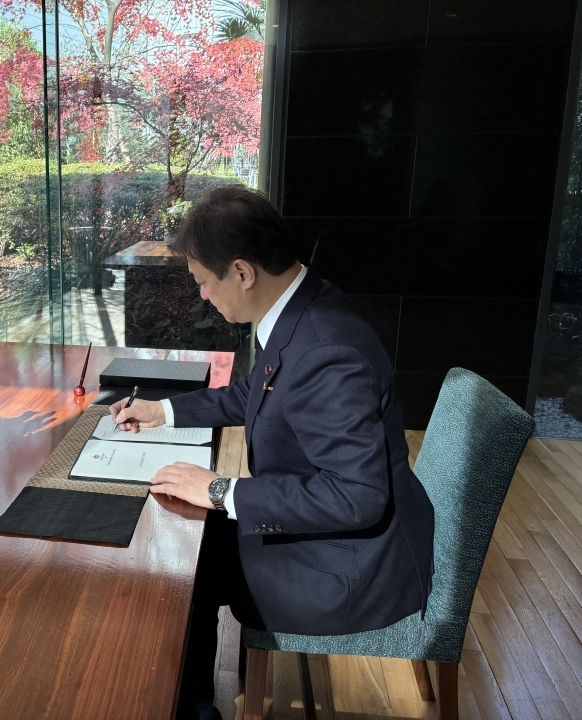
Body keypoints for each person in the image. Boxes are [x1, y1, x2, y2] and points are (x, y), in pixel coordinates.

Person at [109, 186, 435, 720]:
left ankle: (187, 706)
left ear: (242, 272)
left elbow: (357, 497)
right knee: (189, 539)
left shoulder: (326, 350)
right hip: (348, 539)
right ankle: (191, 700)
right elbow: (254, 393)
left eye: (203, 283)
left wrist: (219, 489)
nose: (203, 298)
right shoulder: (303, 307)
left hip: (350, 567)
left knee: (180, 570)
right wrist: (163, 411)